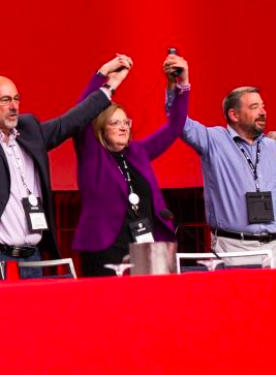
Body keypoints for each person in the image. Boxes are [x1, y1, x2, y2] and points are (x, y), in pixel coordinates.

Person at [0, 25, 128, 280]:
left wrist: (108, 86)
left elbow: (70, 121)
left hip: (33, 257)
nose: (14, 106)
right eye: (5, 100)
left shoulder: (29, 131)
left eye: (16, 98)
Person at [73, 54, 190, 276]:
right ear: (100, 129)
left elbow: (175, 126)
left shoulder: (138, 152)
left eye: (125, 121)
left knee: (154, 307)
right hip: (106, 248)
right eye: (114, 123)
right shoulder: (92, 154)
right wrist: (103, 74)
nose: (123, 127)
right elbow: (80, 114)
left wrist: (181, 86)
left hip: (148, 246)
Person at [179, 71, 276, 265]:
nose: (263, 112)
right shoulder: (214, 140)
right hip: (234, 249)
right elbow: (179, 124)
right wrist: (180, 87)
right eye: (255, 107)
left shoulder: (271, 146)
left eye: (263, 106)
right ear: (234, 115)